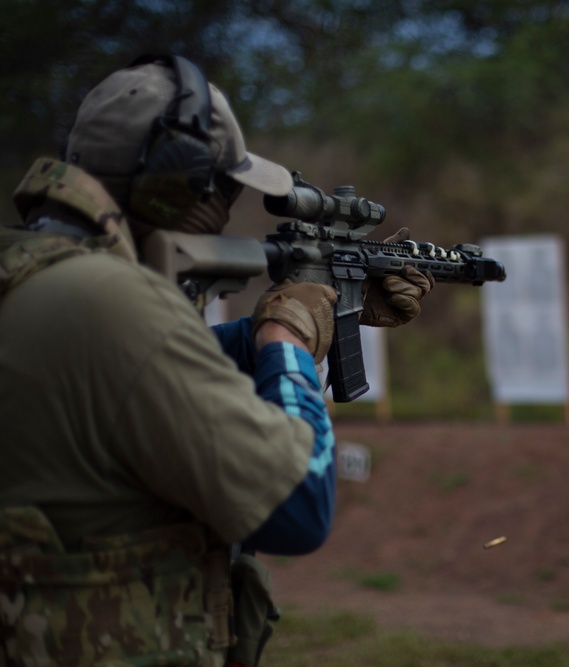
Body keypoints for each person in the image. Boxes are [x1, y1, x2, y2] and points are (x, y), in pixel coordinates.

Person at [0, 55, 433, 667]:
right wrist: (285, 335)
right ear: (177, 186)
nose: (228, 207)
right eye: (225, 187)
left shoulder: (36, 279)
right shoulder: (110, 302)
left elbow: (135, 375)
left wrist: (323, 315)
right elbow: (299, 506)